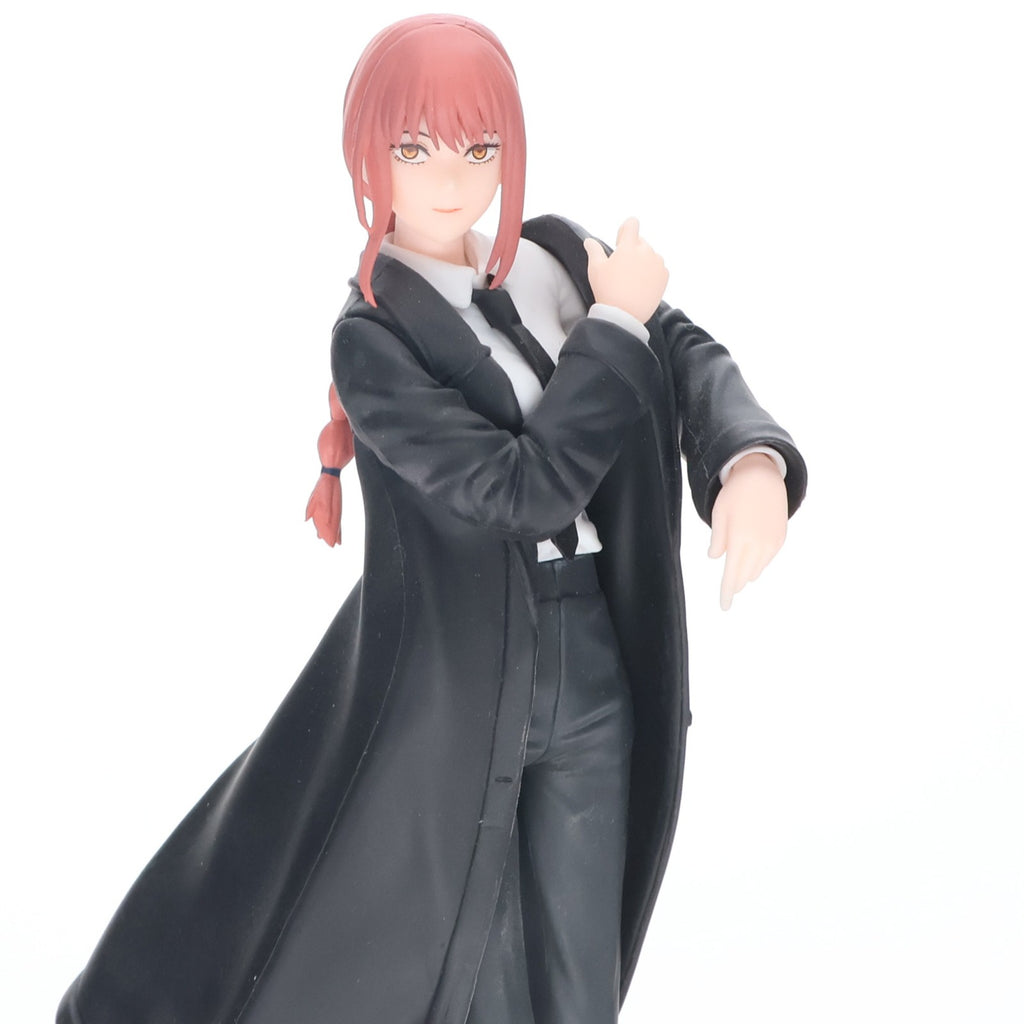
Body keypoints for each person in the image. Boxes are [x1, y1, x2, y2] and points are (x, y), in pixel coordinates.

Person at [57, 15, 807, 1024]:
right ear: (367, 154)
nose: (451, 178)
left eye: (478, 146)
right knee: (458, 966)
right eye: (414, 149)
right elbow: (521, 490)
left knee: (581, 963)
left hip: (593, 658)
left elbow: (680, 350)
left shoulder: (555, 259)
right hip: (464, 684)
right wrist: (616, 324)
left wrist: (747, 457)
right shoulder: (374, 343)